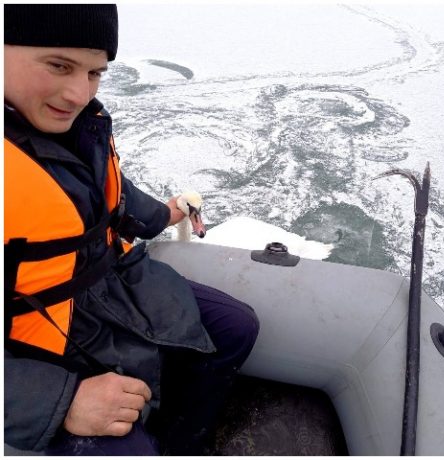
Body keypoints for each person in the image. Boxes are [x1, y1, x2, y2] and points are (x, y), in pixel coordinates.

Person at [4, 5, 259, 455]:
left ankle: (179, 444)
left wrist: (169, 213)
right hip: (35, 341)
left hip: (108, 288)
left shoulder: (81, 128)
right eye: (59, 65)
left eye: (95, 73)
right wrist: (59, 401)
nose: (79, 93)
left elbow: (114, 200)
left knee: (235, 327)